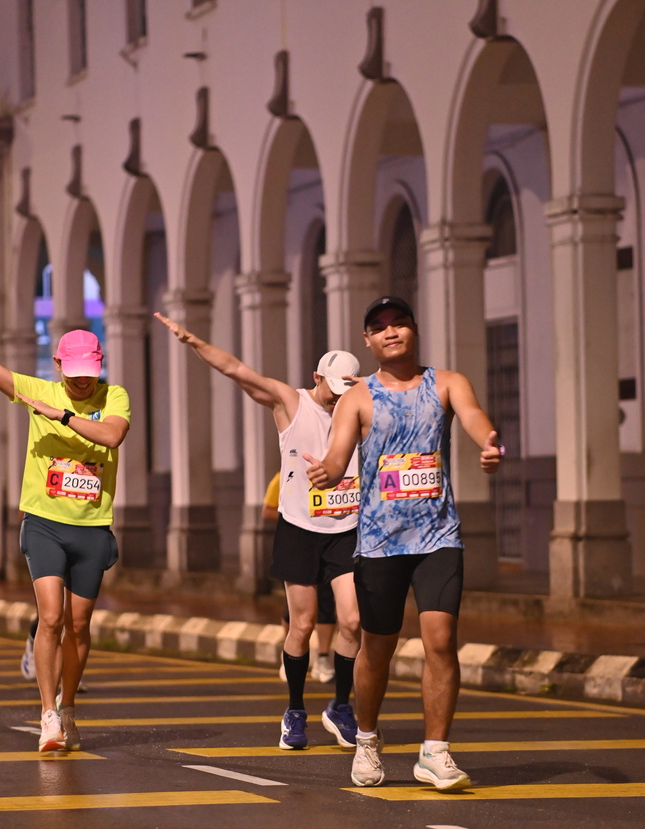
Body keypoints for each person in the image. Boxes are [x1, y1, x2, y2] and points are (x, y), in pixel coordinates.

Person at [305, 296, 503, 790]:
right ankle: (366, 739)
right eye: (379, 327)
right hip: (380, 542)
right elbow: (337, 458)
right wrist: (325, 473)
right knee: (378, 648)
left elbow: (474, 416)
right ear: (368, 340)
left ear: (414, 329)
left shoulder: (447, 382)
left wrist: (488, 441)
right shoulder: (358, 397)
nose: (390, 332)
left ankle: (435, 752)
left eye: (399, 323)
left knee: (441, 640)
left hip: (439, 535)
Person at [155, 311, 361, 750]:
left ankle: (341, 706)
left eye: (347, 392)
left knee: (352, 620)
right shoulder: (291, 403)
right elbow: (237, 370)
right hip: (299, 529)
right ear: (317, 378)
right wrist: (193, 341)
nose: (337, 401)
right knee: (302, 624)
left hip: (346, 528)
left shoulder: (359, 408)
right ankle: (295, 711)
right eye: (333, 391)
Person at [0, 329, 130, 752]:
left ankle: (68, 708)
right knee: (50, 617)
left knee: (79, 626)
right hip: (44, 523)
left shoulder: (113, 396)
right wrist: (45, 405)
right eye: (73, 371)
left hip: (92, 527)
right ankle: (48, 715)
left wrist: (60, 415)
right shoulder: (38, 390)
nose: (82, 380)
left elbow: (112, 436)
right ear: (59, 364)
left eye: (89, 371)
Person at [262, 471, 336, 683]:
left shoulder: (335, 472)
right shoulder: (284, 475)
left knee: (326, 603)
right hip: (297, 544)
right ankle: (290, 654)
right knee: (295, 608)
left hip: (328, 543)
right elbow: (267, 511)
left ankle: (323, 657)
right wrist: (297, 515)